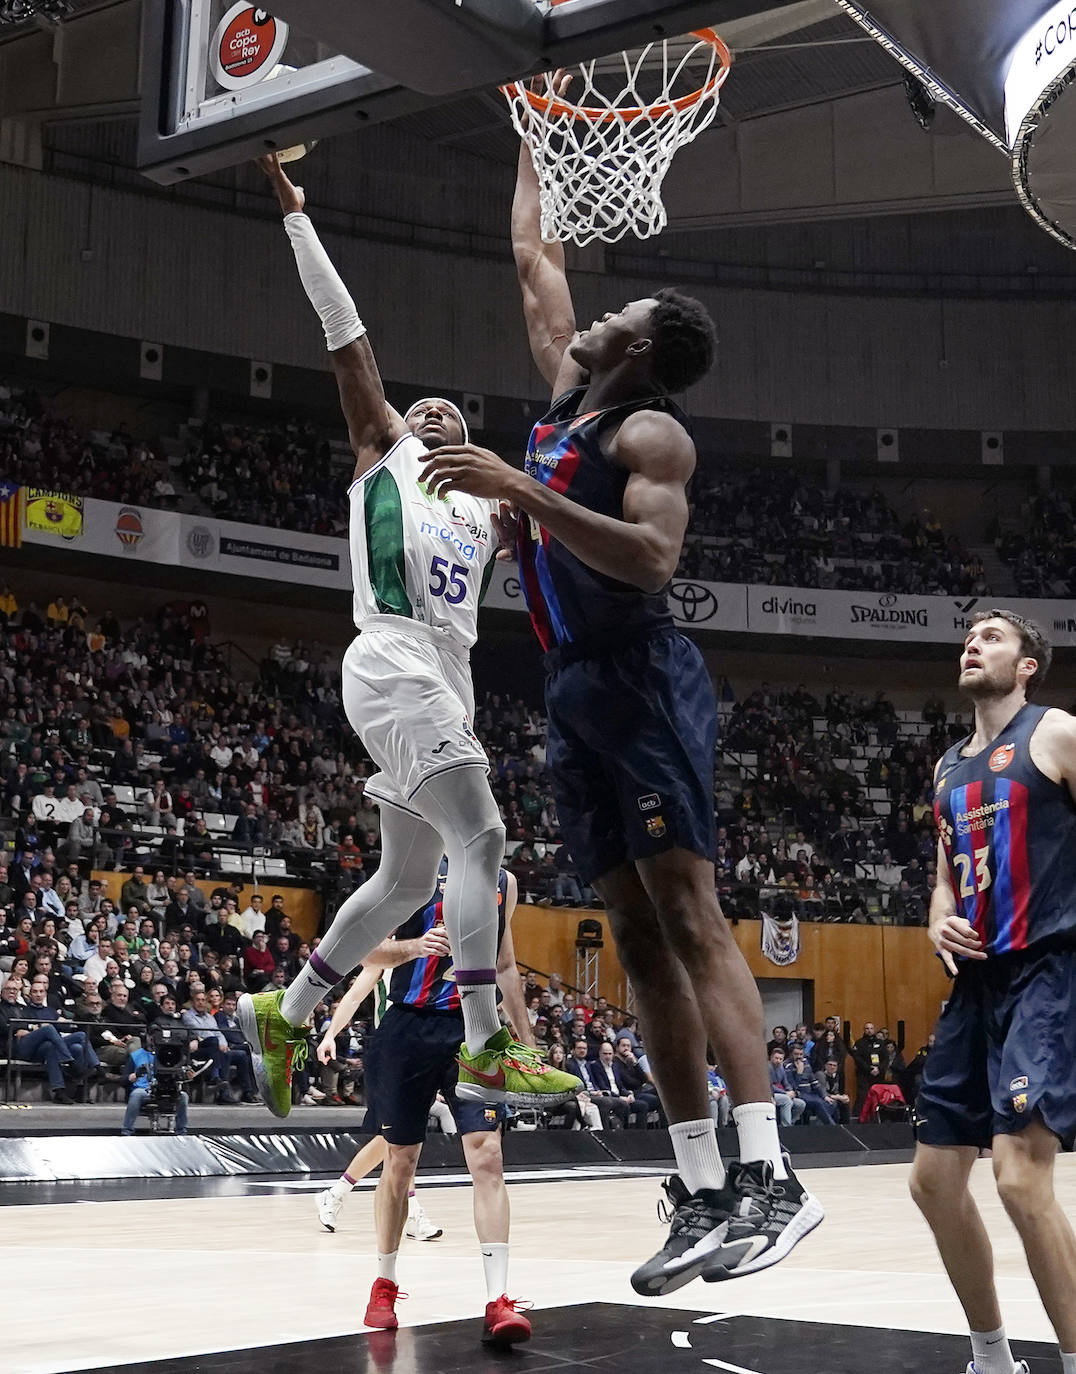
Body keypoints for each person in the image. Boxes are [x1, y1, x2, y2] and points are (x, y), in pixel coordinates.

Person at [413, 118, 821, 1293]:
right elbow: (533, 257)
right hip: (572, 689)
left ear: (640, 351)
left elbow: (647, 561)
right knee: (631, 937)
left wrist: (520, 498)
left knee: (688, 917)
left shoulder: (649, 431)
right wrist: (529, 122)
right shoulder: (561, 401)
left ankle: (771, 1177)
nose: (593, 313)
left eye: (619, 314)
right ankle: (697, 1186)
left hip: (640, 673)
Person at [237, 154, 577, 1120]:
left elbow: (546, 546)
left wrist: (521, 520)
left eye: (450, 414)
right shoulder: (384, 458)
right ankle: (487, 1043)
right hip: (391, 656)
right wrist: (301, 222)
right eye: (419, 411)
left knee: (405, 876)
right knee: (486, 836)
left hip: (445, 674)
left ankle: (288, 1008)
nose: (430, 414)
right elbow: (349, 345)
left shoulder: (481, 518)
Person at [910, 609, 1076, 1374]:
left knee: (1017, 1174)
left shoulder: (1056, 733)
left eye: (993, 637)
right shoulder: (947, 769)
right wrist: (941, 922)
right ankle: (991, 1358)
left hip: (1048, 970)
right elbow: (944, 884)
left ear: (1029, 664)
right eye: (970, 636)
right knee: (933, 1182)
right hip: (976, 983)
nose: (973, 644)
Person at [314, 860, 533, 1345]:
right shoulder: (405, 869)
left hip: (476, 1029)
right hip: (406, 1028)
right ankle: (385, 1282)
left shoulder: (502, 880)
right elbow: (361, 951)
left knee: (488, 1156)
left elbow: (505, 965)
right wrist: (414, 946)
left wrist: (528, 1039)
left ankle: (498, 1300)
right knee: (400, 1160)